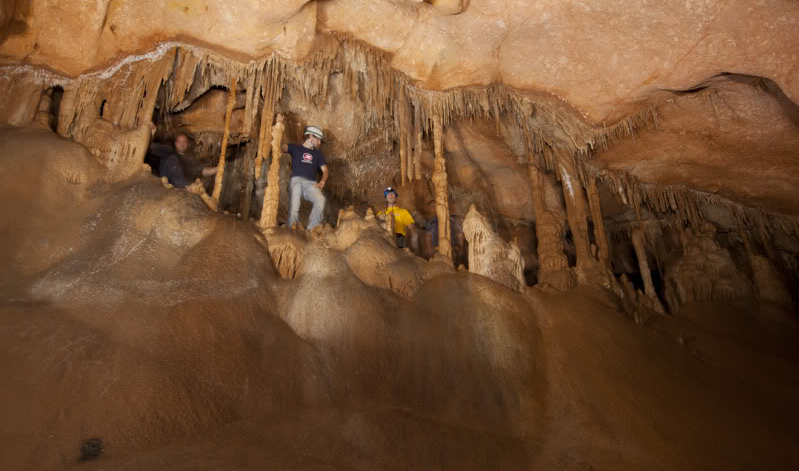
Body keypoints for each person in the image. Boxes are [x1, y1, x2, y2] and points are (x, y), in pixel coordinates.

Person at [277, 114, 329, 230]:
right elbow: (282, 146)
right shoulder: (296, 148)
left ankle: (312, 228)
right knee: (295, 205)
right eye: (318, 139)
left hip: (311, 183)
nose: (319, 142)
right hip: (297, 180)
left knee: (321, 199)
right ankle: (292, 229)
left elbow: (325, 170)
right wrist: (279, 125)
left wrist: (322, 181)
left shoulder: (318, 154)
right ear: (311, 136)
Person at [147, 127, 217, 188]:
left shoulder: (190, 160)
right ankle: (185, 187)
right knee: (173, 158)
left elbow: (204, 171)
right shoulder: (167, 151)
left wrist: (218, 168)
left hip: (181, 186)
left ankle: (186, 187)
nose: (182, 144)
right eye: (179, 142)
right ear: (175, 143)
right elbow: (150, 146)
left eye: (184, 142)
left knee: (205, 180)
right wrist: (152, 133)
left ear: (188, 144)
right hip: (166, 184)